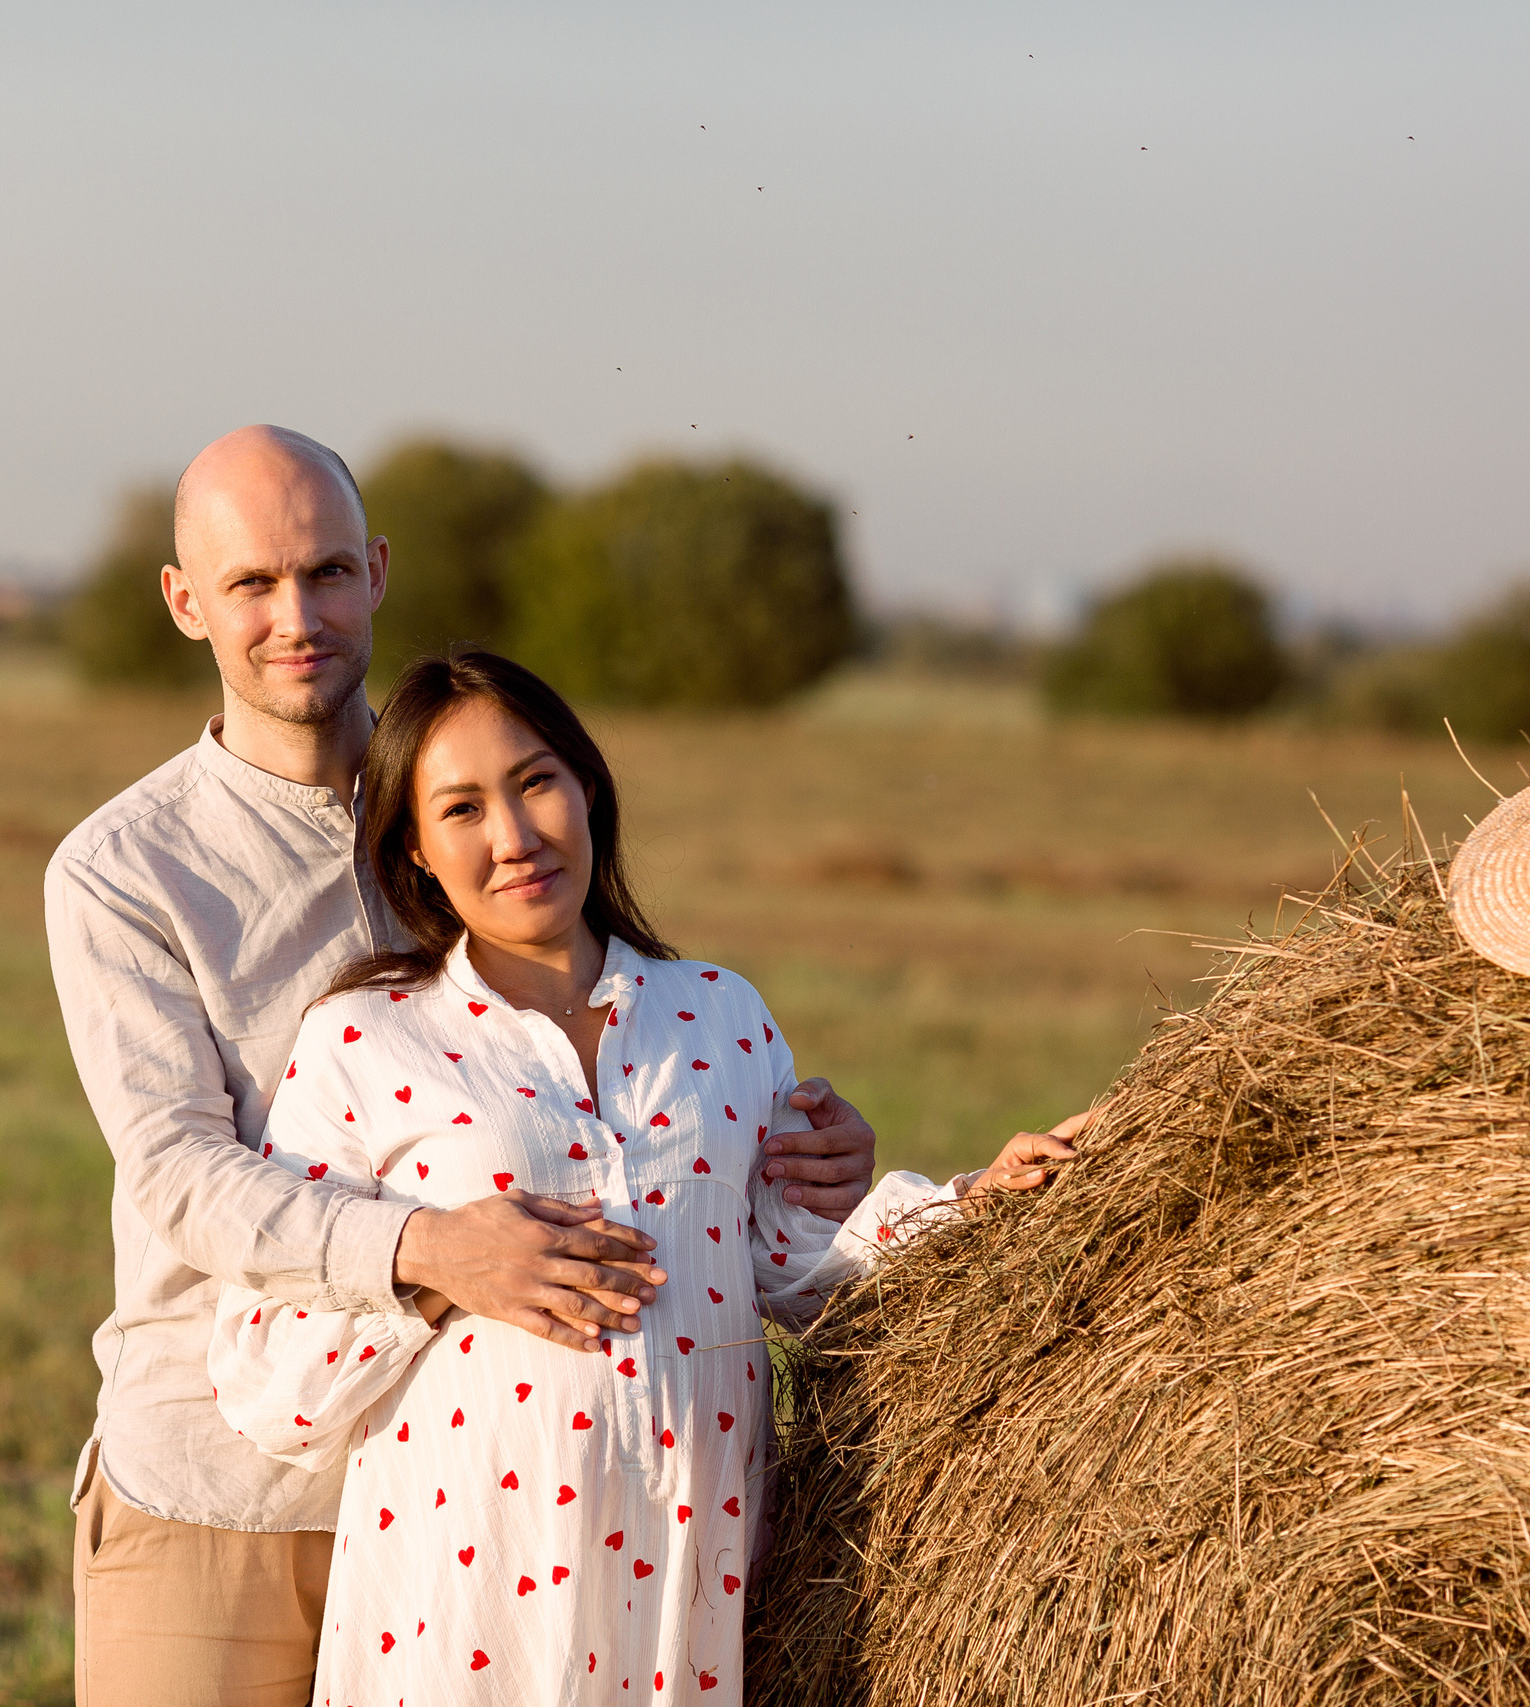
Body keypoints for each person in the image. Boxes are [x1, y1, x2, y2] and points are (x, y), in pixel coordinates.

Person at [43, 426, 914, 1706]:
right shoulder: (123, 872)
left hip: (504, 1525)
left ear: (378, 572)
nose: (299, 614)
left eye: (328, 572)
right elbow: (181, 1174)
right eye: (251, 584)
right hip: (224, 1487)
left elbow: (629, 1091)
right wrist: (431, 1251)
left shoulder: (465, 798)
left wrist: (799, 1157)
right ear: (184, 602)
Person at [208, 648, 1083, 1702]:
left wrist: (978, 1205)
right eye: (462, 809)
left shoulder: (719, 1013)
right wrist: (442, 1269)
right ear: (414, 852)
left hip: (686, 1579)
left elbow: (798, 1273)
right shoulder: (364, 1039)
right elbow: (265, 1374)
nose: (515, 837)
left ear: (588, 787)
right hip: (463, 1595)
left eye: (535, 782)